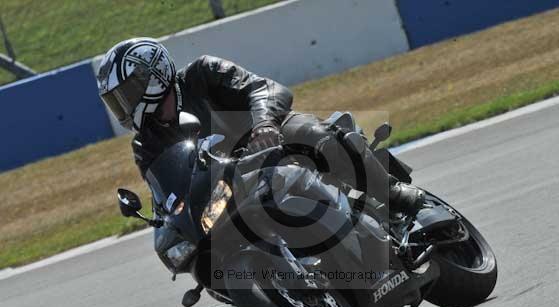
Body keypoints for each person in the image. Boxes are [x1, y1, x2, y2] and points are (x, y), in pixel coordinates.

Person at [96, 37, 424, 216]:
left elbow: (265, 89)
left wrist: (263, 125)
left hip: (273, 139)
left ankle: (394, 194)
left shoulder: (202, 73)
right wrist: (167, 217)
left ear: (151, 77)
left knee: (314, 135)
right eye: (116, 101)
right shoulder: (146, 143)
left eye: (125, 95)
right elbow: (167, 191)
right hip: (233, 185)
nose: (123, 107)